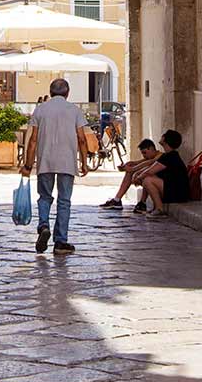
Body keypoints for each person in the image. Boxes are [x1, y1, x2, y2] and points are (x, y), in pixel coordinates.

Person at [22, 78, 89, 254]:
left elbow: (33, 140)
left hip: (46, 160)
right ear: (67, 93)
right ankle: (60, 242)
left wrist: (28, 164)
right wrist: (84, 162)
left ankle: (43, 225)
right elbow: (82, 138)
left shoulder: (40, 110)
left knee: (44, 197)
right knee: (64, 201)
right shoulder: (75, 110)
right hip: (67, 161)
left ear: (50, 92)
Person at [138, 129, 191, 216]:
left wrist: (138, 178)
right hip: (176, 191)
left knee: (148, 180)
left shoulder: (170, 156)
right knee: (148, 179)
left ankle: (159, 208)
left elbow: (149, 171)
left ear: (166, 140)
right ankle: (155, 207)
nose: (162, 136)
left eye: (164, 135)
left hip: (178, 193)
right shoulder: (168, 155)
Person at [99, 139, 160, 211]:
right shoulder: (150, 157)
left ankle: (142, 202)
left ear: (151, 148)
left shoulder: (160, 156)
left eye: (145, 153)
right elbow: (139, 163)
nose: (144, 156)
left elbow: (149, 163)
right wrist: (127, 166)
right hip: (151, 181)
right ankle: (117, 199)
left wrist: (134, 170)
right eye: (142, 154)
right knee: (132, 173)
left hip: (158, 183)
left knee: (146, 176)